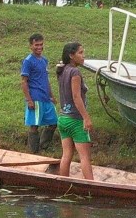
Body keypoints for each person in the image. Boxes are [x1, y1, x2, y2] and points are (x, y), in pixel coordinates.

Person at [56, 42, 94, 179]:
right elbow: (76, 96)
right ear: (71, 55)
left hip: (63, 119)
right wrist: (86, 117)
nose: (83, 56)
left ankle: (63, 183)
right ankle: (92, 187)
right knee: (85, 157)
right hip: (75, 120)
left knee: (66, 154)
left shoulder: (62, 70)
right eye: (80, 53)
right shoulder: (75, 72)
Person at [21, 33, 58, 152]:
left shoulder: (44, 60)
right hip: (35, 97)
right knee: (34, 125)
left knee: (53, 122)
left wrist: (51, 96)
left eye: (41, 44)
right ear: (31, 46)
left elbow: (45, 79)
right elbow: (24, 81)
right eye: (36, 45)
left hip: (45, 97)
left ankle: (43, 146)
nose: (39, 47)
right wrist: (29, 99)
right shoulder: (28, 61)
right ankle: (34, 150)